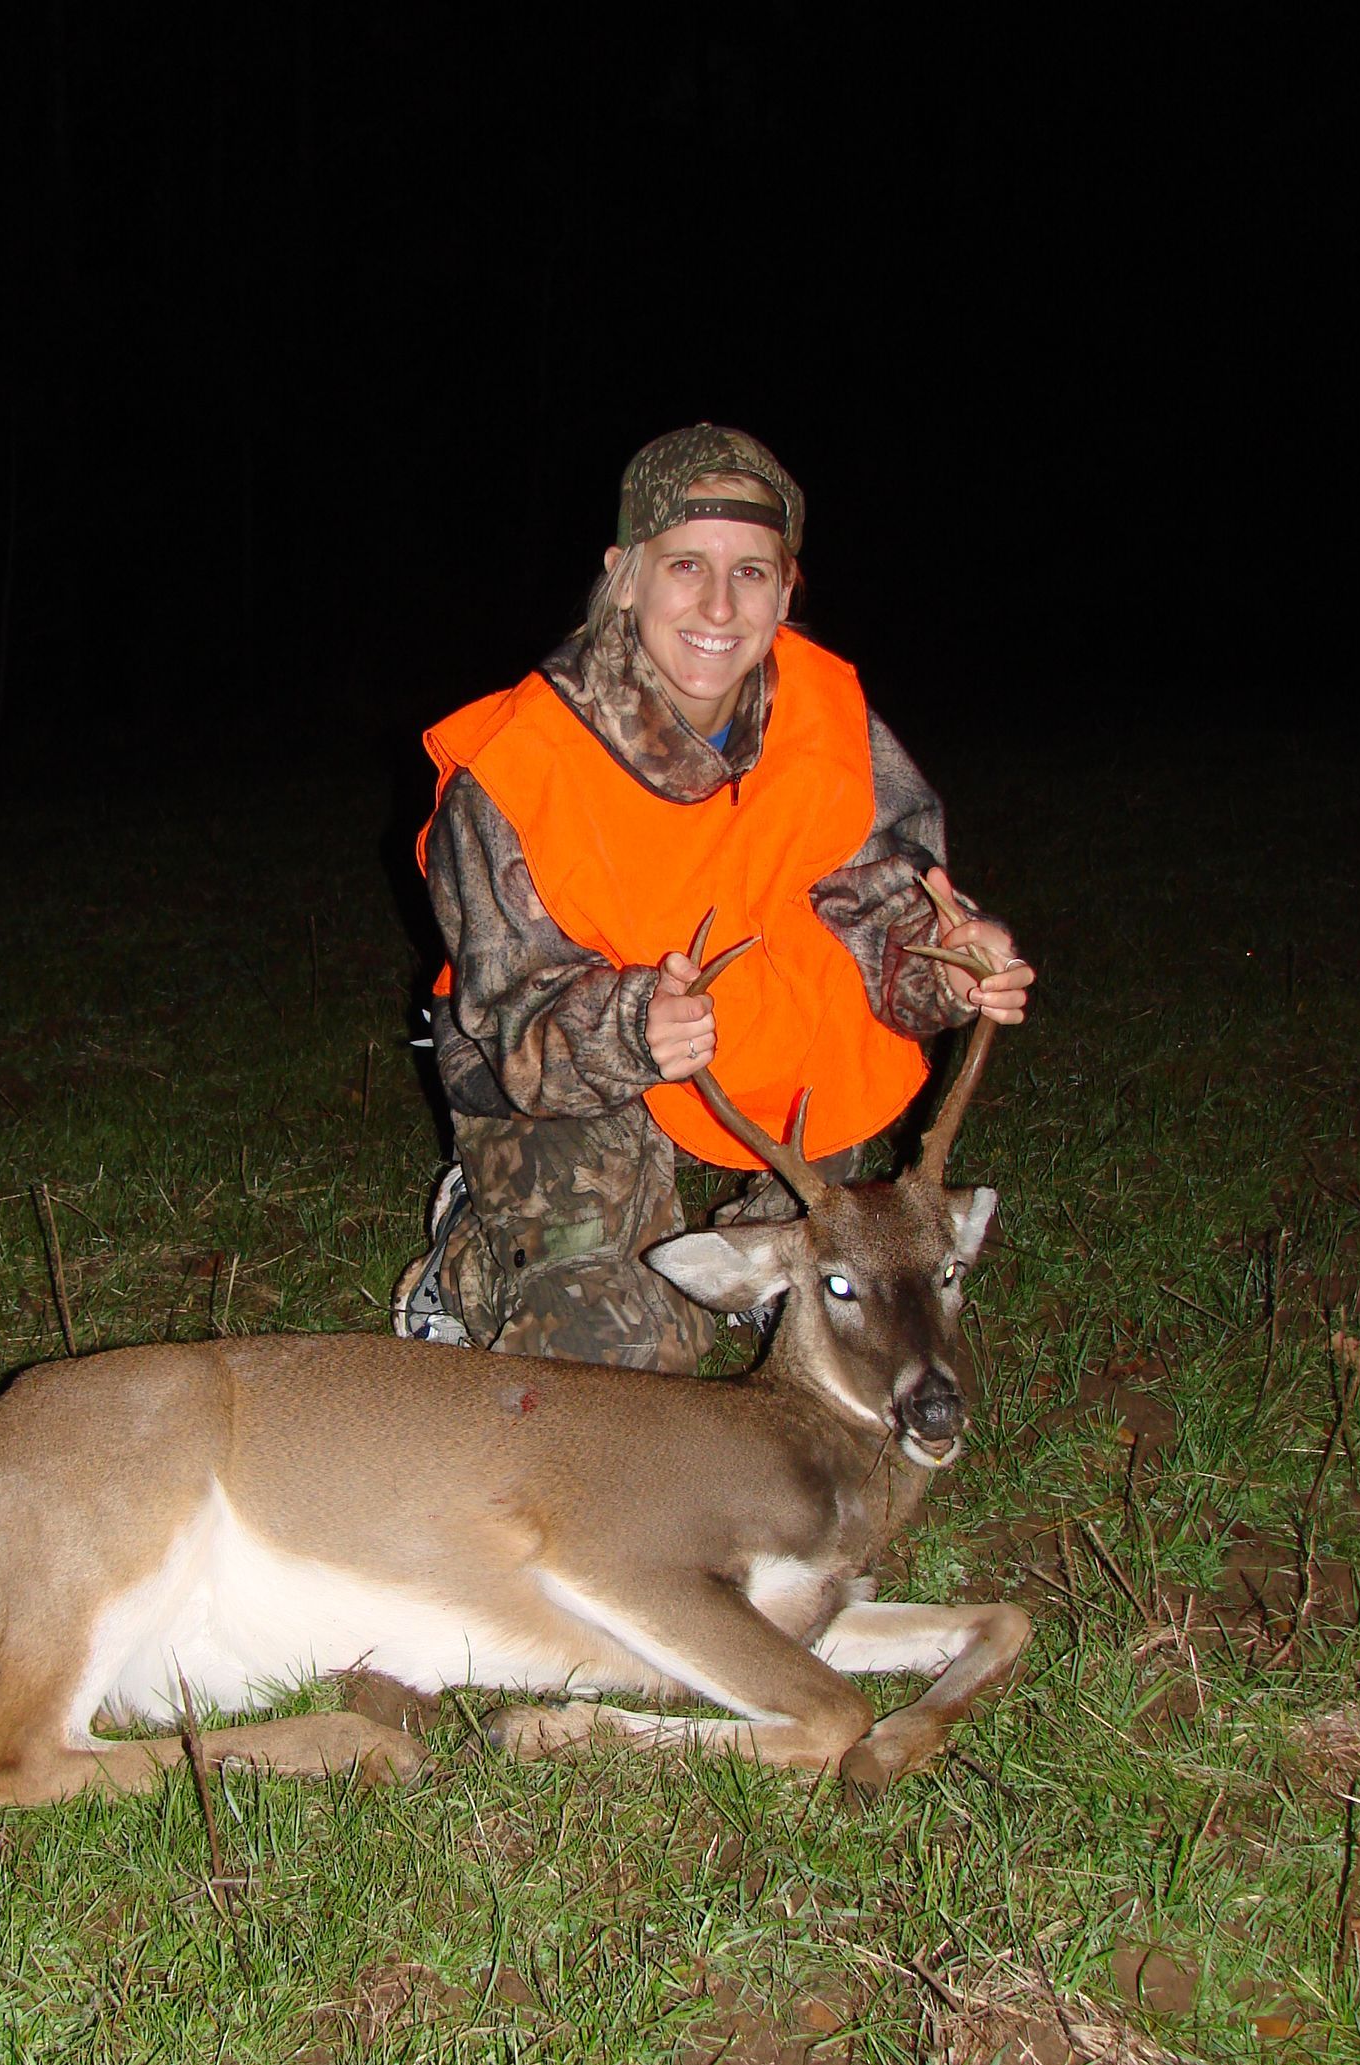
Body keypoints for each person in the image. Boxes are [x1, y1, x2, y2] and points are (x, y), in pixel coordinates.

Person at [393, 422, 1033, 1368]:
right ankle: (476, 1259)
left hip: (757, 1055)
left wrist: (953, 966)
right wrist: (633, 1029)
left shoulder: (825, 714)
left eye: (753, 572)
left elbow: (885, 911)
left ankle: (762, 1251)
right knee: (626, 1362)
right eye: (686, 564)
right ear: (625, 574)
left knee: (857, 1293)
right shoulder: (519, 766)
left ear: (787, 591)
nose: (719, 605)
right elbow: (515, 1017)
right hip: (564, 1069)